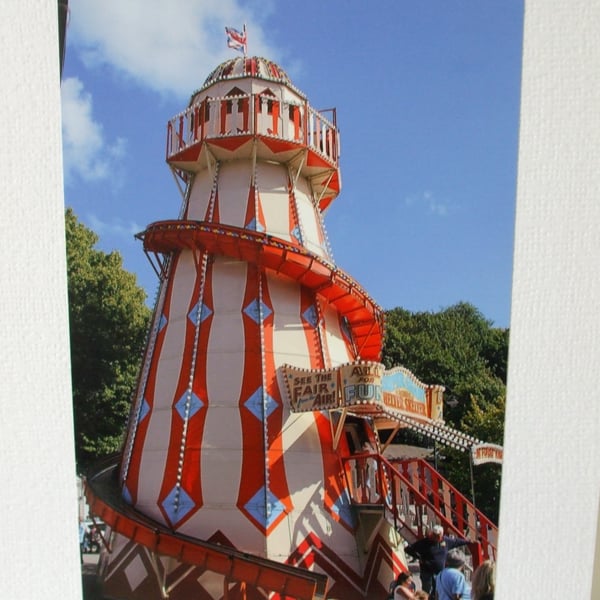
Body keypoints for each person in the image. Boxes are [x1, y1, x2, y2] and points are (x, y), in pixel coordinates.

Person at [405, 525, 469, 595]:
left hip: (439, 572)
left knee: (438, 590)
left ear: (441, 535)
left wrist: (468, 541)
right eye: (435, 535)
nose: (436, 537)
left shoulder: (446, 541)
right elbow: (409, 549)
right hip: (426, 571)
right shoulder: (423, 542)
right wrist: (419, 557)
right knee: (426, 590)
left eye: (438, 535)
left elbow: (456, 542)